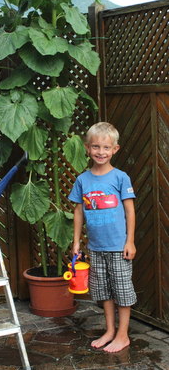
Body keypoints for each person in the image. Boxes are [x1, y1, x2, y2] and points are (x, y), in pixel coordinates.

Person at [69, 122, 136, 353]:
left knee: (122, 291)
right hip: (95, 247)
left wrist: (130, 241)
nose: (100, 152)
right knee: (103, 292)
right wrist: (77, 241)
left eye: (106, 148)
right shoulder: (83, 180)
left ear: (115, 149)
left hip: (118, 246)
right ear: (87, 148)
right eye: (96, 147)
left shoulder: (120, 178)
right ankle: (109, 330)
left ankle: (123, 334)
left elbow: (130, 211)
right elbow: (78, 211)